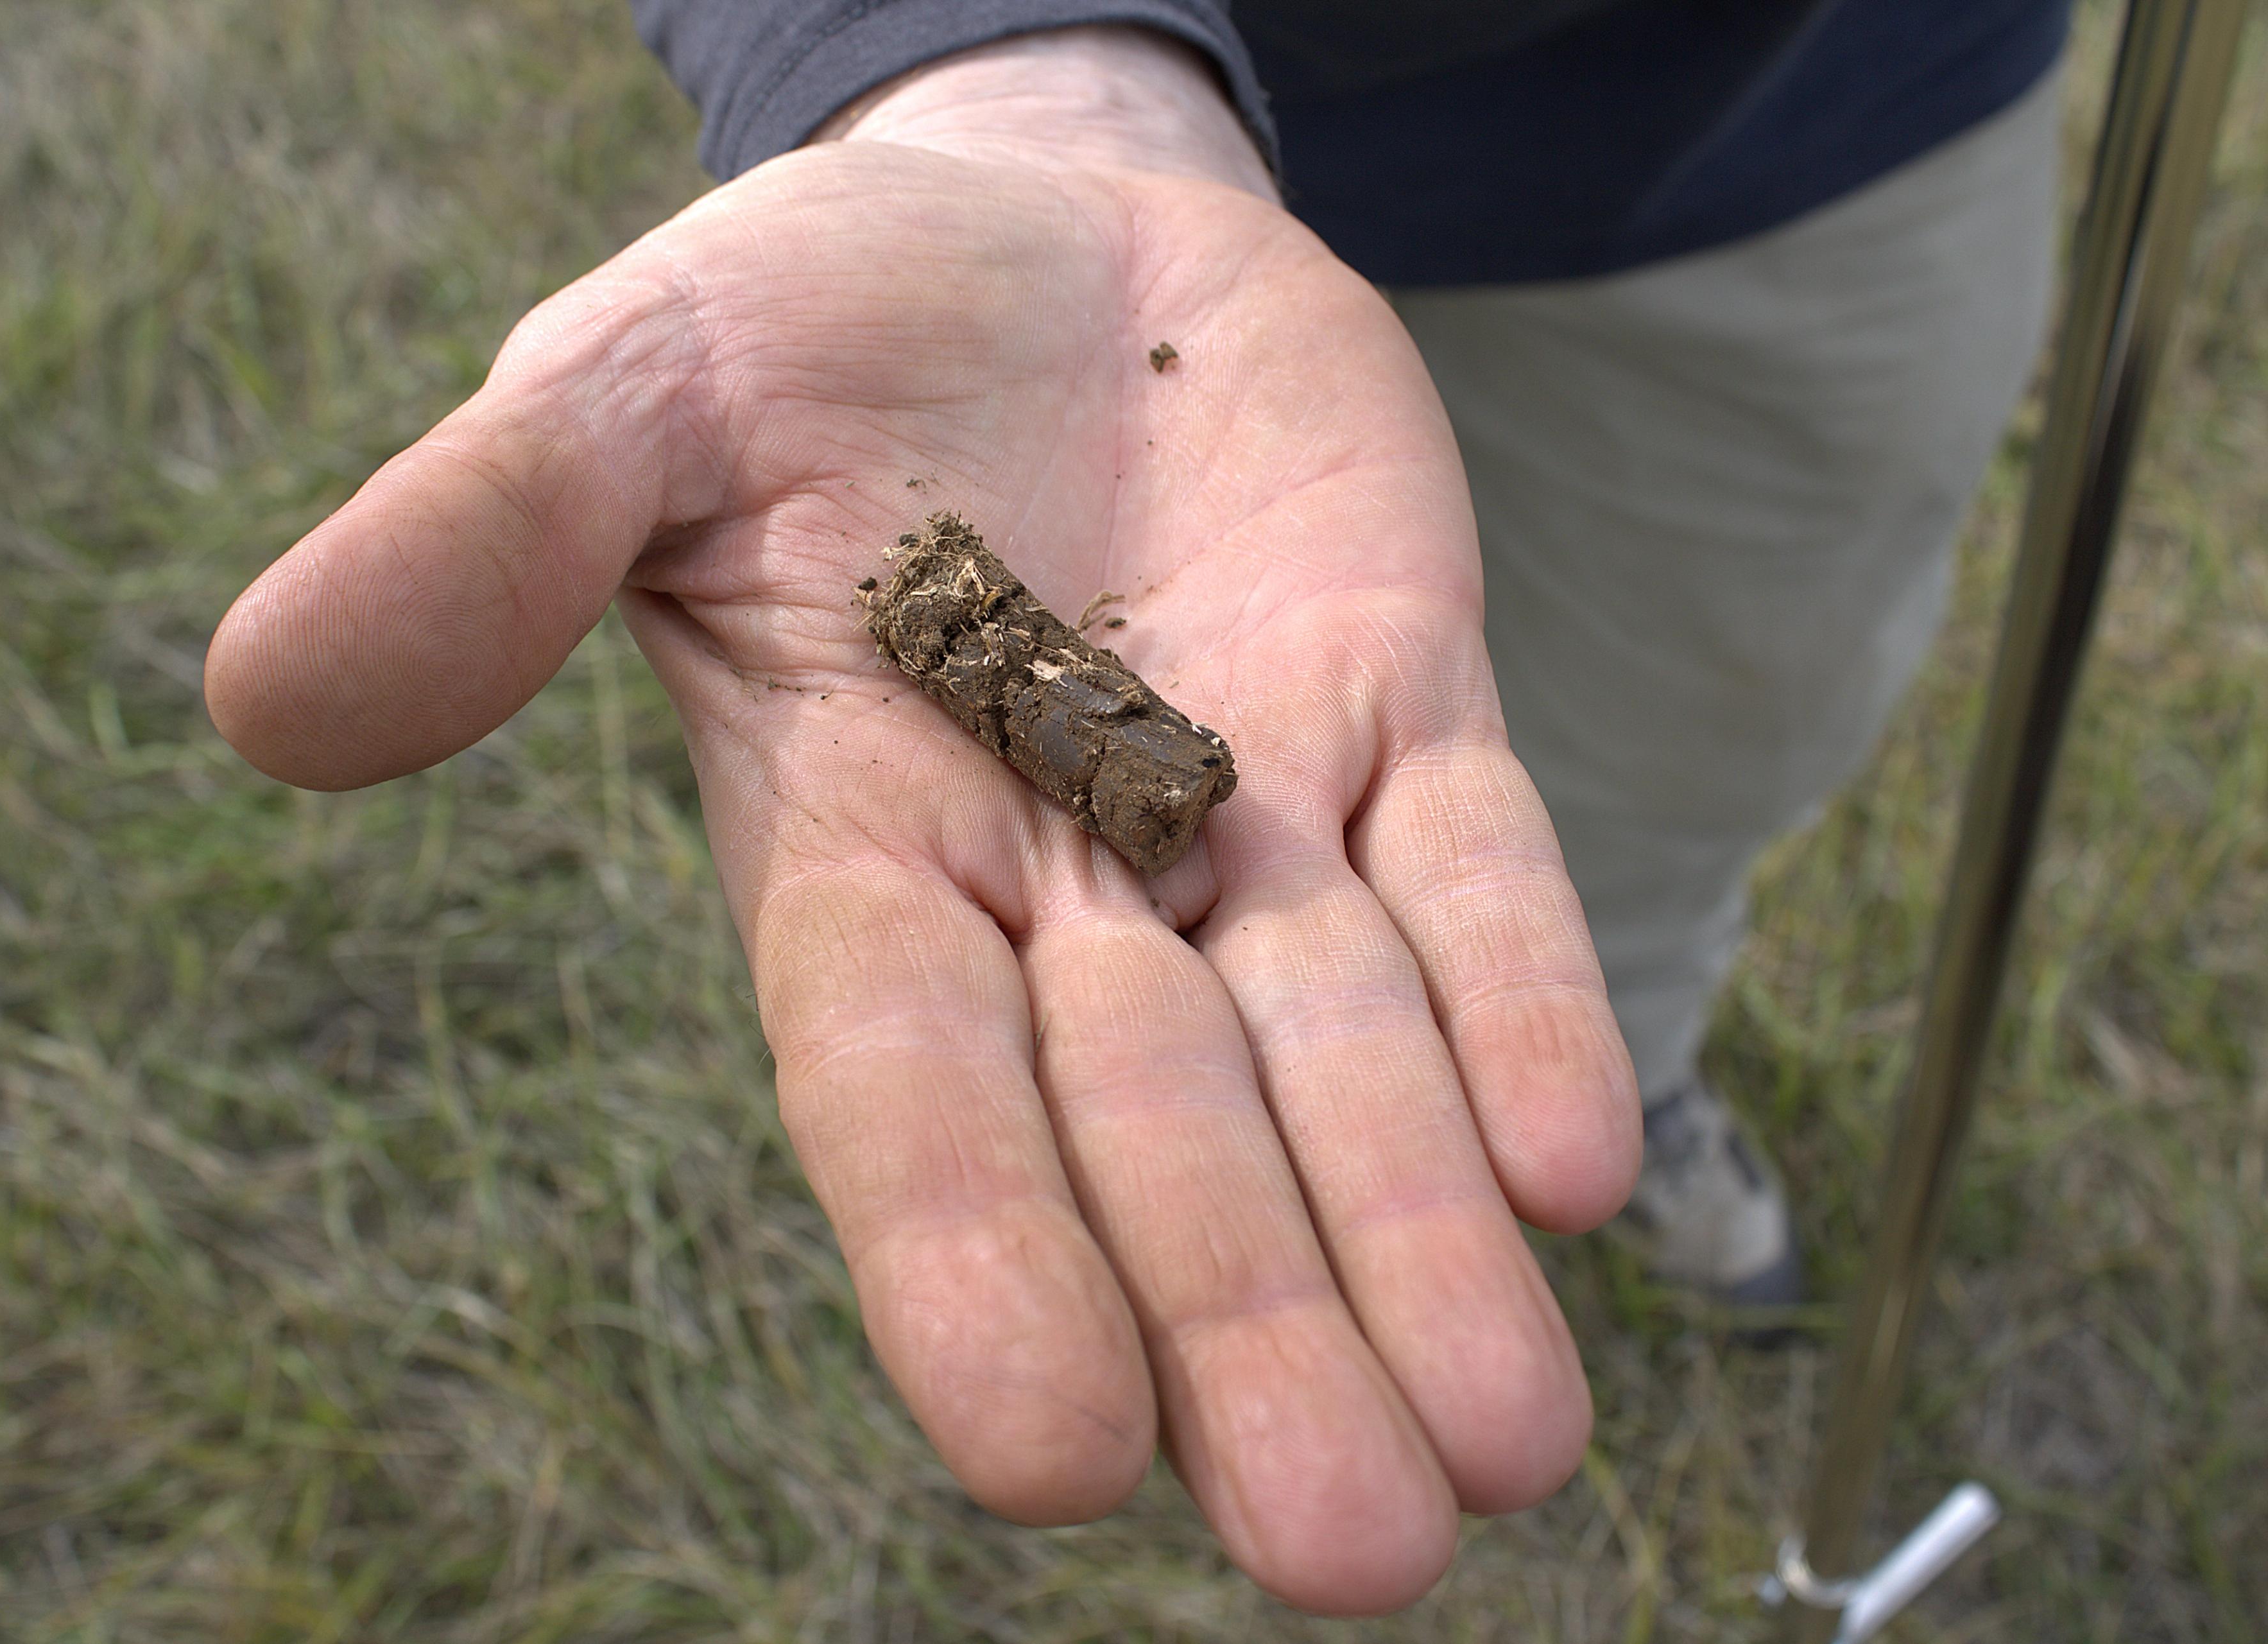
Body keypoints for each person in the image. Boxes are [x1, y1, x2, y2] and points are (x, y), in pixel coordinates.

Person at [201, 0, 2069, 1616]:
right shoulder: (977, 594)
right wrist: (979, 59)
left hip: (1805, 116)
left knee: (1699, 723)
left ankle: (1631, 1036)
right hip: (1067, 80)